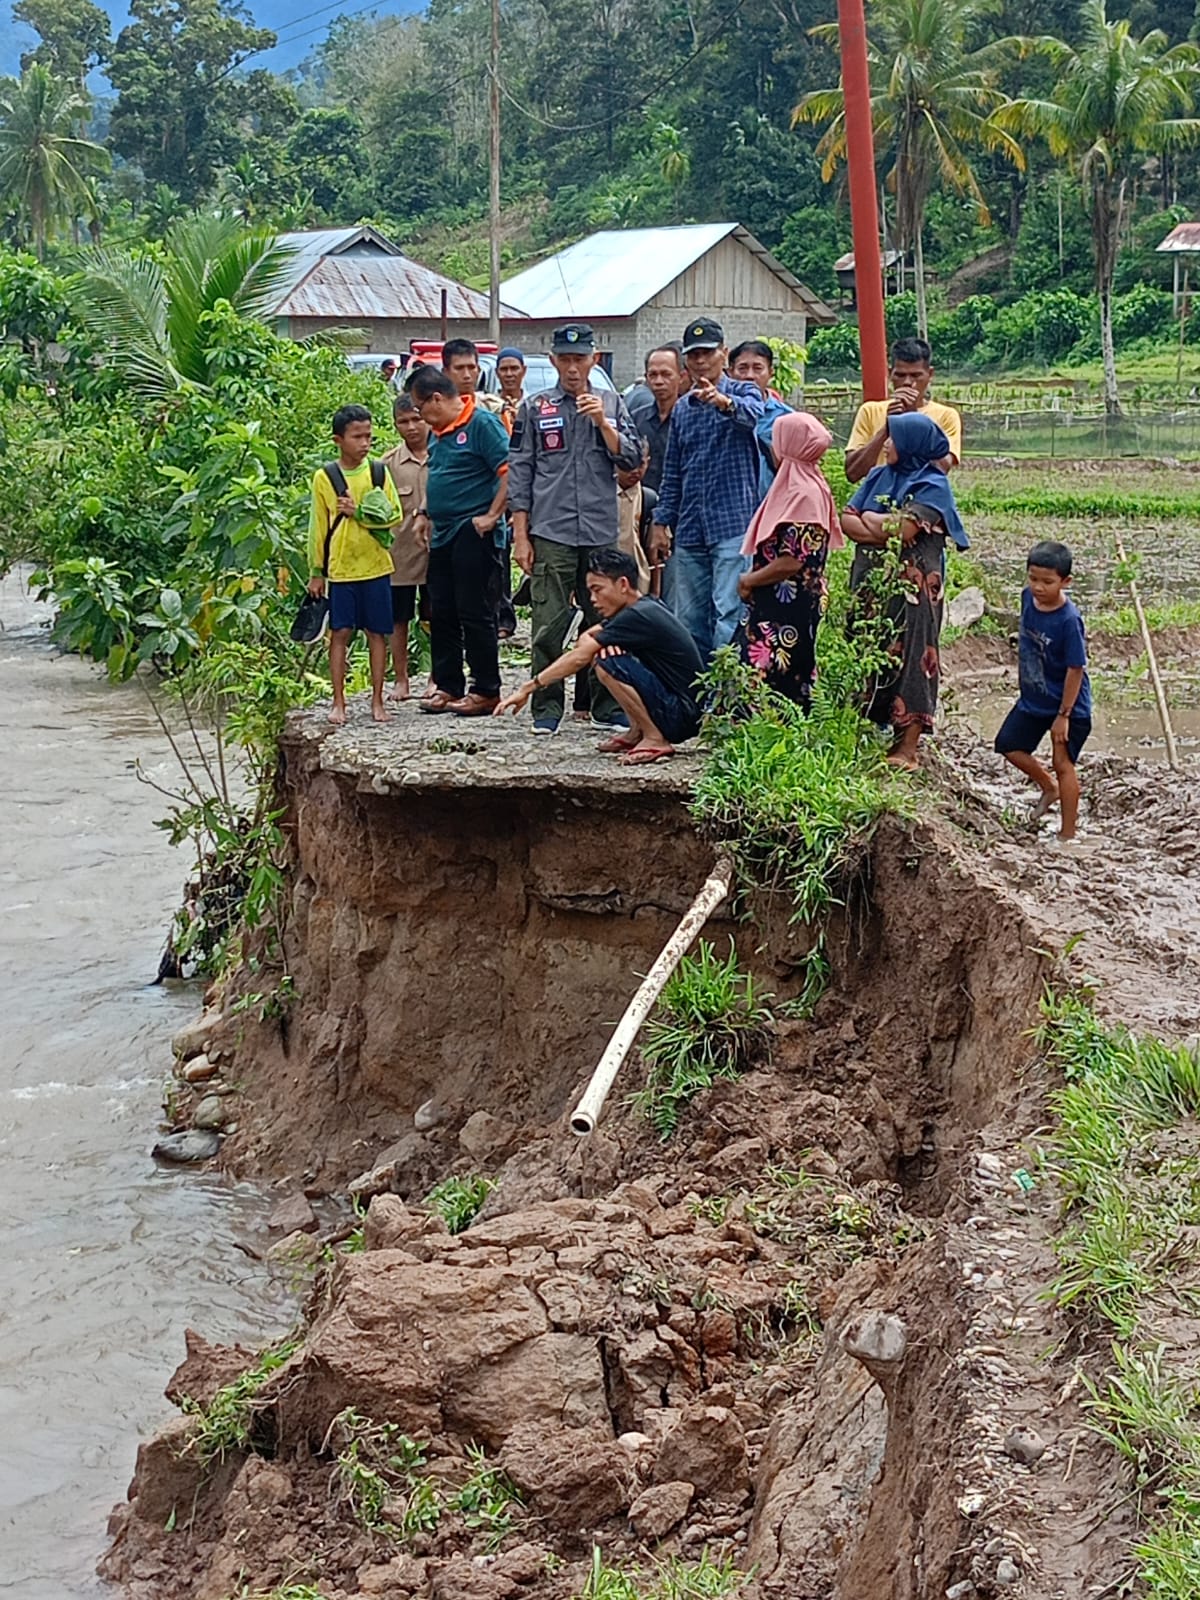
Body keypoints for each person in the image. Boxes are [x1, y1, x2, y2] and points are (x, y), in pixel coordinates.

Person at [508, 322, 644, 735]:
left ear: (593, 359)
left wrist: (605, 424)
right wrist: (520, 535)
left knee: (604, 621)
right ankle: (546, 707)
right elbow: (521, 472)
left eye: (579, 359)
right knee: (549, 621)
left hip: (601, 530)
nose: (572, 368)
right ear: (552, 361)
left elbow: (632, 460)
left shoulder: (612, 403)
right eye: (564, 360)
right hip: (552, 530)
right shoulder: (535, 408)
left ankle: (605, 705)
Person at [840, 413, 969, 769]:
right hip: (870, 584)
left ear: (913, 444)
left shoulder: (933, 484)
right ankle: (868, 731)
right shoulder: (880, 475)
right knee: (867, 646)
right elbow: (846, 519)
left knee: (914, 656)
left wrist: (871, 521)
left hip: (914, 592)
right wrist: (879, 526)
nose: (888, 445)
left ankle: (907, 748)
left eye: (895, 440)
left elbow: (904, 529)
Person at [495, 548, 703, 765]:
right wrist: (593, 643)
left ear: (623, 584)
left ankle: (654, 738)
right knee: (604, 653)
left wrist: (528, 688)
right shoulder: (642, 606)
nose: (592, 599)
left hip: (682, 715)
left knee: (608, 662)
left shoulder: (637, 616)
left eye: (598, 590)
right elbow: (588, 636)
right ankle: (636, 731)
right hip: (680, 710)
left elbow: (578, 658)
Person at [652, 318, 765, 660]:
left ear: (723, 354)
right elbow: (673, 472)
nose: (700, 361)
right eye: (693, 355)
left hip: (732, 525)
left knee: (729, 612)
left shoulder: (743, 391)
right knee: (688, 617)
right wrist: (660, 522)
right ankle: (697, 696)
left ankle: (727, 698)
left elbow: (755, 417)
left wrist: (723, 403)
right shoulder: (683, 409)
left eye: (707, 353)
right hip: (690, 529)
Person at [409, 367, 509, 716]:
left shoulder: (482, 425)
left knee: (474, 609)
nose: (420, 418)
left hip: (473, 530)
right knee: (441, 608)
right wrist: (424, 511)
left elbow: (510, 470)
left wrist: (493, 516)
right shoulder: (438, 433)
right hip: (442, 530)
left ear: (435, 399)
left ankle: (486, 688)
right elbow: (437, 474)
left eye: (420, 409)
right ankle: (448, 685)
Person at [307, 403, 403, 727]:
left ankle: (377, 700)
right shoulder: (325, 478)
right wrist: (316, 572)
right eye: (357, 437)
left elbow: (393, 515)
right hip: (342, 568)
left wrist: (358, 512)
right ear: (338, 439)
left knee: (378, 633)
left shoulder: (377, 472)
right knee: (340, 632)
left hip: (376, 566)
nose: (364, 444)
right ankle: (339, 702)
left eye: (368, 437)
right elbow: (318, 527)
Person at [737, 412, 842, 709]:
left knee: (772, 671)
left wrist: (748, 580)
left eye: (778, 440)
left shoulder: (801, 493)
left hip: (786, 604)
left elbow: (793, 561)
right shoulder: (808, 485)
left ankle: (767, 735)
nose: (773, 447)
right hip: (783, 601)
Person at [994, 541, 1092, 843]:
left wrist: (1063, 716)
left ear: (1066, 582)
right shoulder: (1027, 598)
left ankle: (1067, 834)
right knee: (1008, 744)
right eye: (1033, 578)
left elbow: (1075, 669)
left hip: (1068, 705)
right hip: (1034, 698)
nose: (1038, 587)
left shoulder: (1068, 620)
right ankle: (1047, 787)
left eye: (1047, 582)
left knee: (1064, 764)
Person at [844, 336, 962, 483]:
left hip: (920, 501)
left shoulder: (946, 416)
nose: (907, 382)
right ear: (890, 373)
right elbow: (852, 473)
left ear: (930, 375)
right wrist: (888, 427)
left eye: (915, 375)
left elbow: (941, 468)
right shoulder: (870, 411)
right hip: (878, 500)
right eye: (900, 375)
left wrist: (912, 422)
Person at [381, 391, 431, 702]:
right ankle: (400, 679)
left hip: (437, 555)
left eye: (417, 419)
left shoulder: (444, 455)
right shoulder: (386, 465)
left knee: (436, 618)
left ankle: (437, 678)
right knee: (398, 620)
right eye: (404, 422)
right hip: (400, 557)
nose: (412, 427)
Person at [730, 338, 791, 499]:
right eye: (742, 368)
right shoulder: (719, 412)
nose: (750, 376)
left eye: (758, 368)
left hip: (771, 508)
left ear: (771, 372)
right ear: (730, 372)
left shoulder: (786, 418)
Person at [442, 338, 504, 414]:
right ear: (445, 372)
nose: (467, 375)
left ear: (478, 370)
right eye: (459, 368)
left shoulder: (494, 408)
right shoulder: (435, 410)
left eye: (471, 367)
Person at [495, 348, 527, 431]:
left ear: (524, 371)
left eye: (514, 368)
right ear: (497, 373)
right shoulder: (489, 405)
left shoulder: (533, 406)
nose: (509, 374)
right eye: (504, 369)